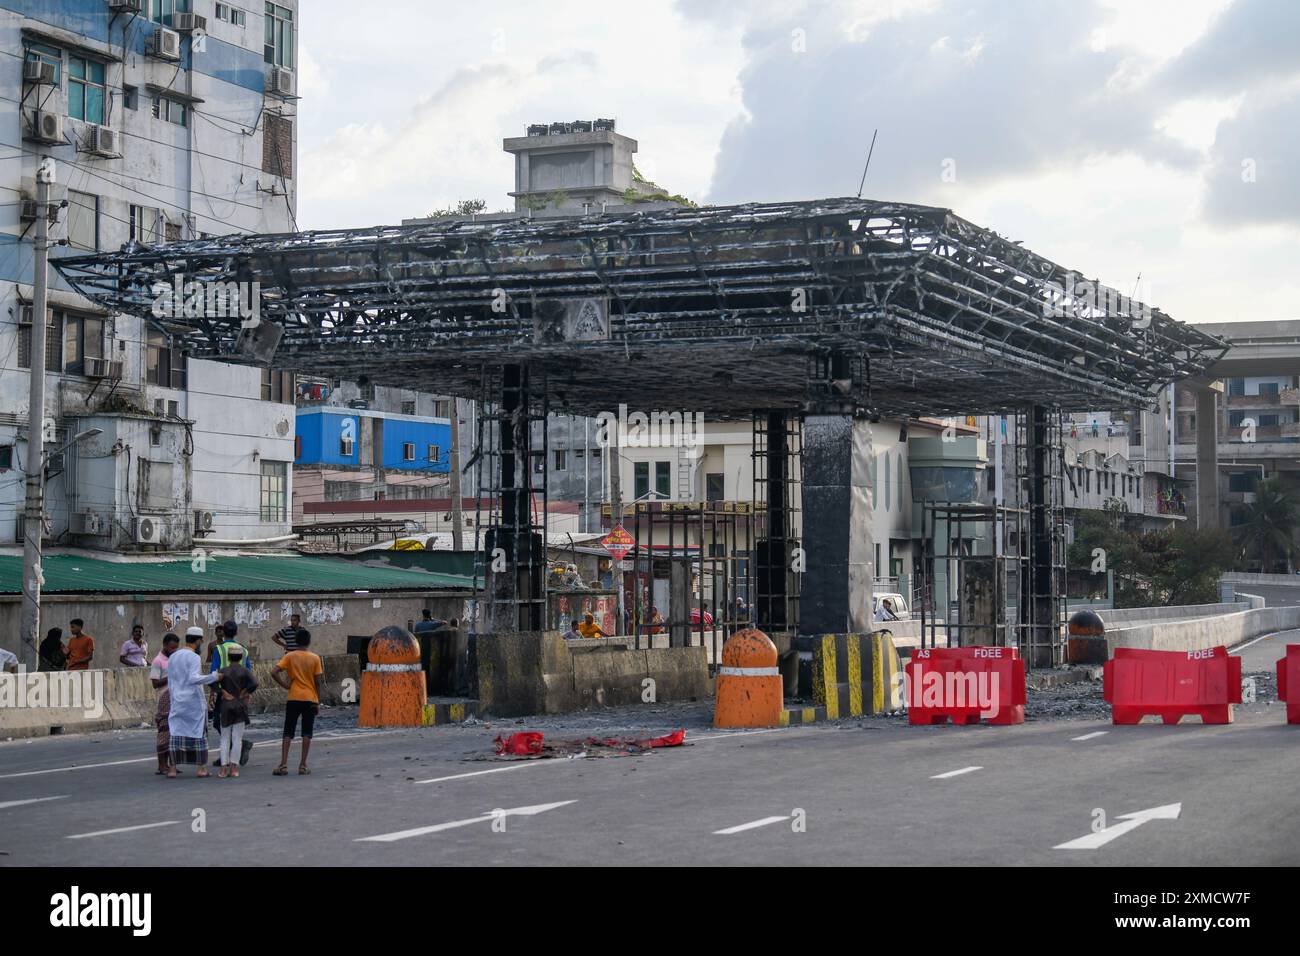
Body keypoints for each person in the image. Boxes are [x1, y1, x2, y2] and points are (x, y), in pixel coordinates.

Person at [166, 627, 221, 779]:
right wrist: (214, 676)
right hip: (193, 703)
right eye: (201, 641)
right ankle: (201, 769)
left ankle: (172, 769)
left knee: (176, 734)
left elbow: (170, 681)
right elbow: (193, 678)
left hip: (177, 701)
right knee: (199, 735)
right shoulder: (194, 657)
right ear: (198, 641)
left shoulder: (173, 656)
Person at [272, 629, 323, 776]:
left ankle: (283, 765)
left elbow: (274, 672)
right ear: (309, 641)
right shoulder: (315, 658)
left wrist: (285, 685)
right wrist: (318, 701)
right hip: (310, 699)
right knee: (307, 732)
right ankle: (302, 765)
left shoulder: (290, 656)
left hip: (293, 697)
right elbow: (318, 682)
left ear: (296, 641)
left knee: (288, 731)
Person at [215, 644, 258, 779]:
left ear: (228, 657)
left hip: (226, 705)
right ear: (240, 658)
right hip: (239, 705)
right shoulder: (244, 671)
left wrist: (222, 691)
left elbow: (212, 682)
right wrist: (245, 692)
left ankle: (223, 768)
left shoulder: (223, 670)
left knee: (225, 738)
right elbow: (255, 683)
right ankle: (234, 768)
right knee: (237, 738)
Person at [150, 634, 180, 775]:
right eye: (171, 648)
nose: (174, 651)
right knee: (164, 731)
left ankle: (170, 764)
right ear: (164, 645)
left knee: (173, 733)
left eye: (176, 648)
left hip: (175, 698)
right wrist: (171, 676)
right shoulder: (158, 661)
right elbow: (155, 683)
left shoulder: (174, 659)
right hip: (164, 698)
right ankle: (162, 765)